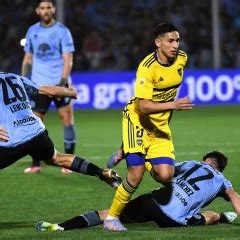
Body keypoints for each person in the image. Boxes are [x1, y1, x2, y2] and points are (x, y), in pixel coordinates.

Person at [103, 22, 194, 231]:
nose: (175, 45)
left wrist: (168, 109)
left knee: (165, 176)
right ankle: (111, 219)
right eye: (170, 41)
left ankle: (129, 150)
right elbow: (143, 106)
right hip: (136, 119)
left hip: (159, 125)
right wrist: (174, 104)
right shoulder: (147, 68)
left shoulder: (182, 59)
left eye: (177, 40)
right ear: (158, 42)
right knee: (135, 174)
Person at [35, 151, 239, 232]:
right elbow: (234, 197)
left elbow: (165, 172)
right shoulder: (223, 181)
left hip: (152, 202)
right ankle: (223, 216)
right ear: (219, 167)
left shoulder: (192, 163)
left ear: (206, 160)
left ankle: (59, 227)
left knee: (108, 214)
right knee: (210, 216)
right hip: (176, 219)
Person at [0, 72, 121, 190]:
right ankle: (102, 173)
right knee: (57, 158)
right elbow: (49, 90)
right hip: (36, 132)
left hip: (11, 139)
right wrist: (69, 92)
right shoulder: (14, 77)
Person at [22, 0, 76, 174]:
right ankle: (36, 164)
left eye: (48, 8)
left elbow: (68, 60)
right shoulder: (32, 31)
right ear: (38, 11)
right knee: (36, 123)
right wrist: (23, 81)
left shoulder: (62, 31)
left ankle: (69, 163)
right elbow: (28, 58)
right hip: (39, 85)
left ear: (53, 10)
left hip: (58, 82)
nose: (46, 11)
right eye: (42, 8)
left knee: (67, 120)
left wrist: (61, 83)